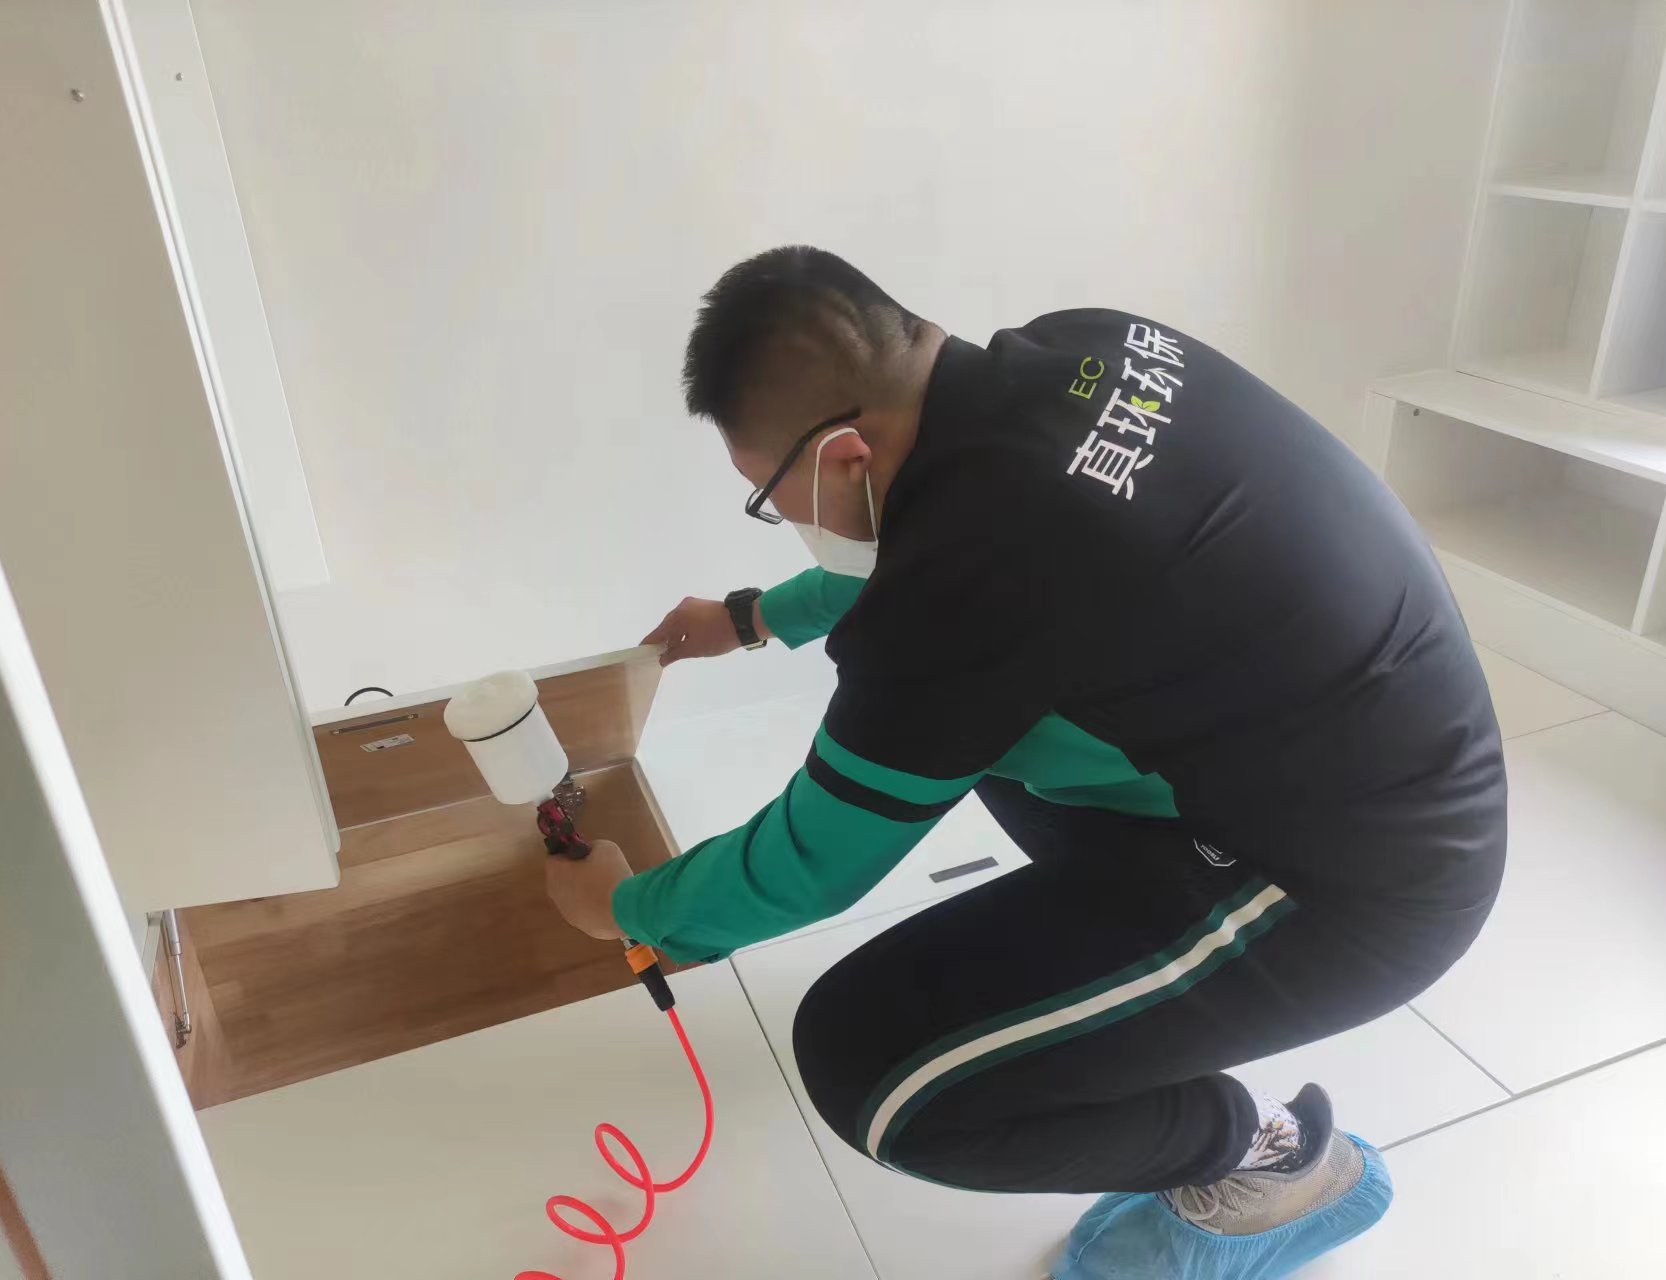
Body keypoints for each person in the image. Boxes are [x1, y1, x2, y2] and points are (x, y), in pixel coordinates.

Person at [546, 246, 1507, 1278]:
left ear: (845, 458)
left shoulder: (966, 584)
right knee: (989, 739)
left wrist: (631, 908)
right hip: (1378, 759)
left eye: (772, 498)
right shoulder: (1078, 349)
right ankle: (1131, 999)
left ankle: (1273, 1159)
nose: (789, 522)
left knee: (871, 1070)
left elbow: (811, 860)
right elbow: (957, 552)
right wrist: (753, 617)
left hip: (1363, 886)